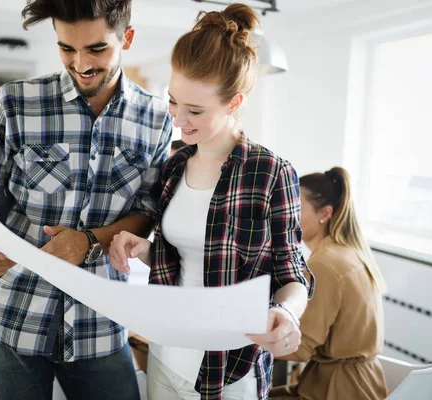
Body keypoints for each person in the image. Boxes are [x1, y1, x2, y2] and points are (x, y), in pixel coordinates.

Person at [0, 0, 173, 399]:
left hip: (102, 321)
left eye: (96, 49)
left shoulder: (157, 119)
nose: (81, 64)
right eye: (66, 48)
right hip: (13, 313)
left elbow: (147, 210)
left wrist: (90, 240)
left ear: (127, 38)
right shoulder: (14, 102)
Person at [109, 4, 314, 400]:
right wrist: (145, 249)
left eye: (195, 110)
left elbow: (294, 274)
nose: (178, 118)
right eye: (173, 101)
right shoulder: (175, 164)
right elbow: (188, 259)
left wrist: (287, 313)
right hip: (166, 354)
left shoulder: (270, 172)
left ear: (234, 103)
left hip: (230, 368)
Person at [269, 167, 388, 400]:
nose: (286, 213)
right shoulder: (348, 252)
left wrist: (242, 332)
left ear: (324, 213)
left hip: (337, 390)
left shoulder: (325, 264)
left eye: (296, 206)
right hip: (365, 385)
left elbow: (299, 348)